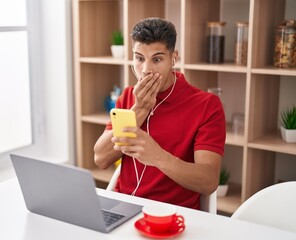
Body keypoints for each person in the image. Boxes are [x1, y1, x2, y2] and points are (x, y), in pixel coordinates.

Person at [94, 17, 225, 210]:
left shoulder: (207, 105)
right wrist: (139, 111)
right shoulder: (129, 96)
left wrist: (157, 156)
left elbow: (208, 181)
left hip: (173, 214)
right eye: (139, 58)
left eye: (157, 59)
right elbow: (101, 158)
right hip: (123, 207)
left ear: (174, 58)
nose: (146, 70)